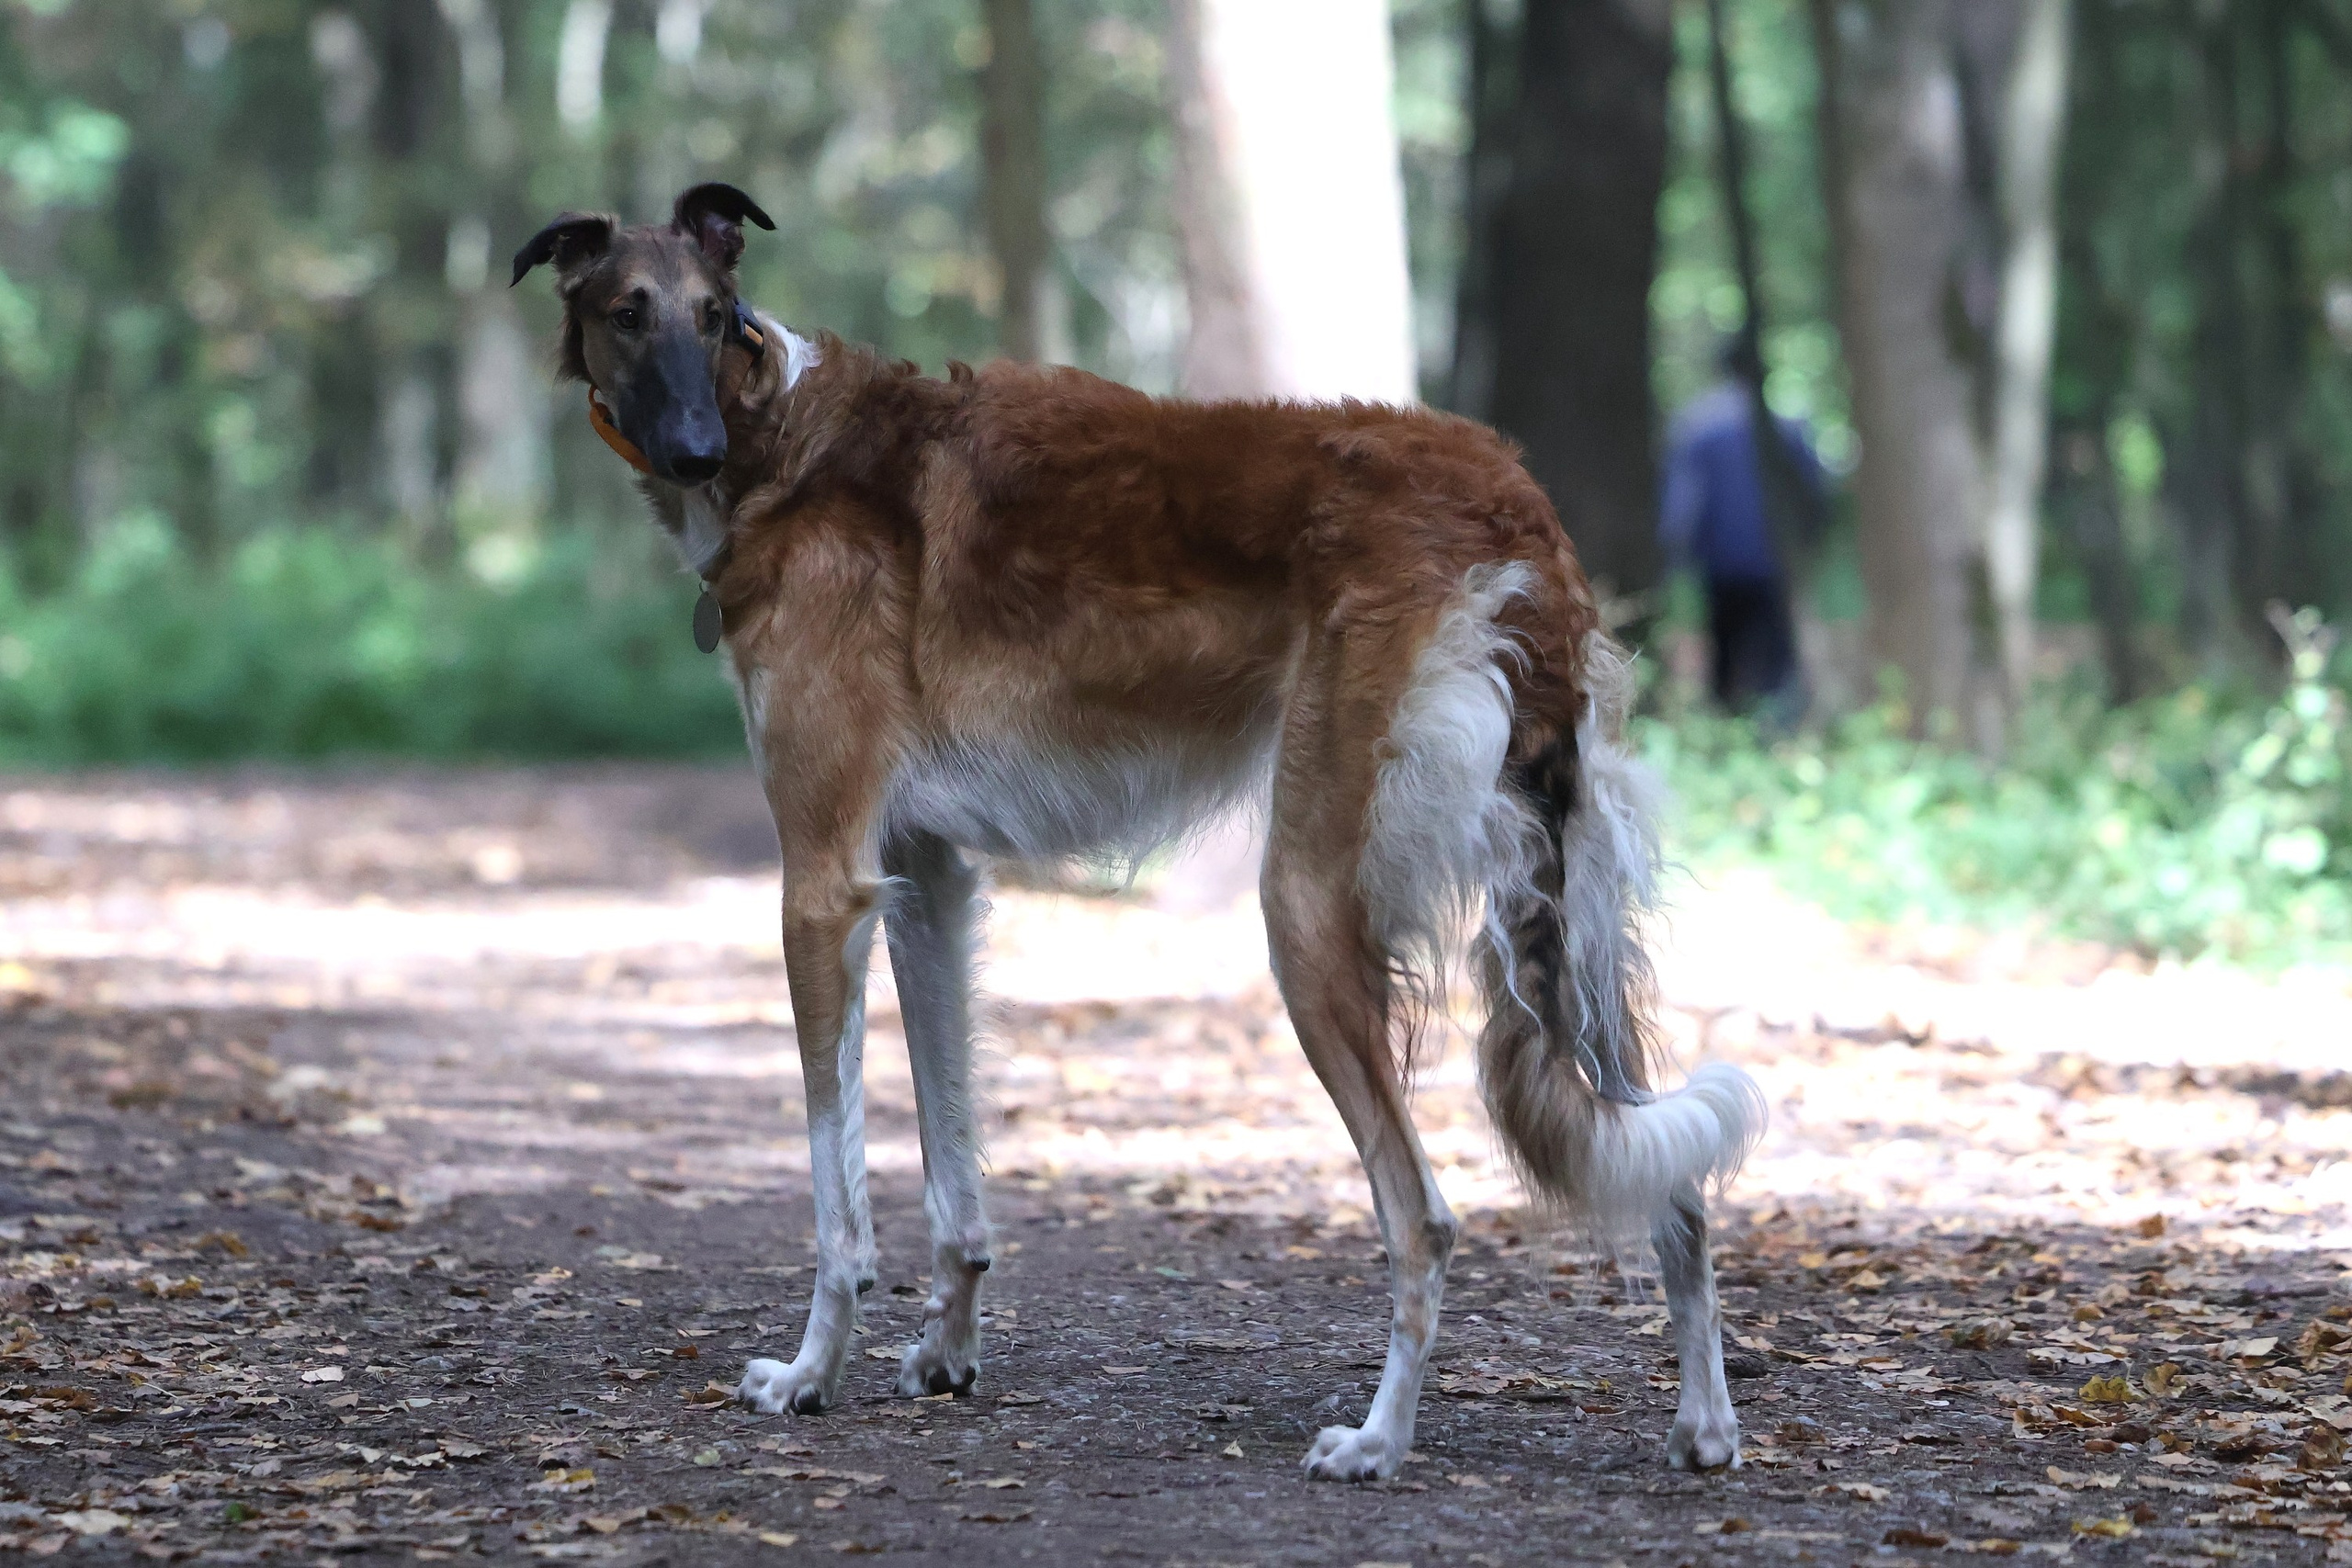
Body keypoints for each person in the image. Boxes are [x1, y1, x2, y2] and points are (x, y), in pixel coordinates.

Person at [1658, 341, 1826, 716]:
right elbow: (1814, 491)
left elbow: (1682, 504)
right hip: (1771, 560)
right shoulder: (1785, 425)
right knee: (1774, 657)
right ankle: (1776, 732)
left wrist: (1676, 558)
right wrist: (1811, 543)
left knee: (1726, 652)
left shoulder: (1696, 425)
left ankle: (1728, 721)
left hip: (1720, 564)